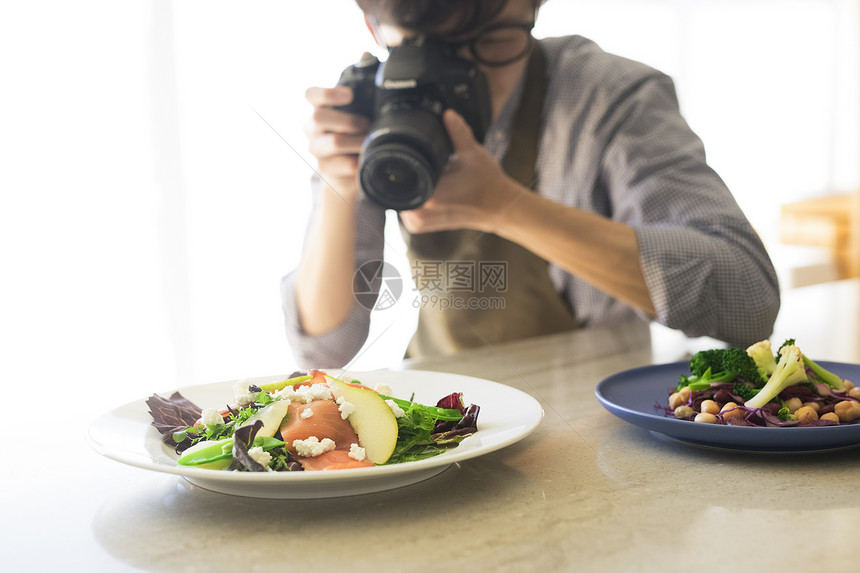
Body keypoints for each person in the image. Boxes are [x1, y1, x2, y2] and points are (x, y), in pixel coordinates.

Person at [281, 0, 781, 368]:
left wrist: (507, 207)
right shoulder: (377, 106)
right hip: (444, 420)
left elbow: (750, 299)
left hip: (598, 418)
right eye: (430, 48)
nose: (465, 72)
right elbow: (325, 350)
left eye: (495, 40)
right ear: (373, 26)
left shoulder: (607, 96)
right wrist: (337, 187)